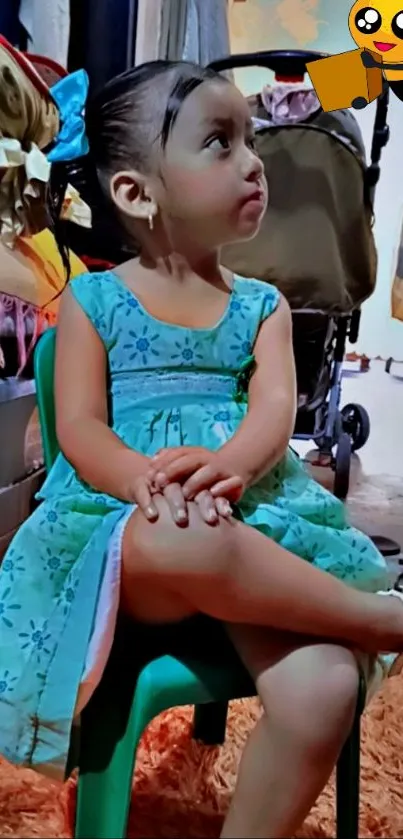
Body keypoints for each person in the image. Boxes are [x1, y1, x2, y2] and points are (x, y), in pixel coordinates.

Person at [0, 58, 402, 838]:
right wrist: (146, 480)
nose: (253, 161)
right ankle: (378, 618)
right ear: (135, 193)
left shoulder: (262, 305)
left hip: (249, 522)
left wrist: (238, 464)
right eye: (220, 142)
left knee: (320, 686)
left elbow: (274, 406)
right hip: (136, 531)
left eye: (251, 139)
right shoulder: (94, 297)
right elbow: (78, 427)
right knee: (181, 532)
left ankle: (349, 627)